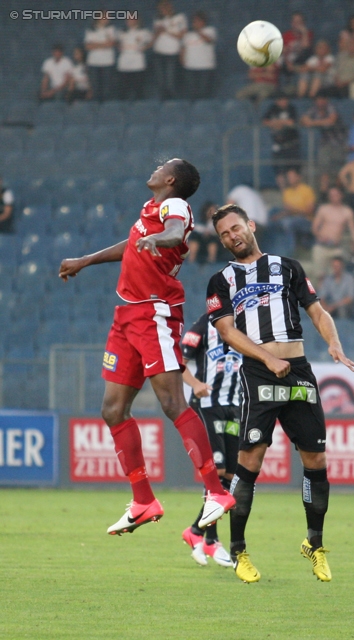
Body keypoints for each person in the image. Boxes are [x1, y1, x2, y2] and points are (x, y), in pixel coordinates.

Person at [58, 158, 235, 535]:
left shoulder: (175, 206)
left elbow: (173, 232)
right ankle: (143, 500)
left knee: (172, 402)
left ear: (171, 179)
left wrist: (158, 239)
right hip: (127, 315)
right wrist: (85, 260)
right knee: (112, 409)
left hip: (154, 311)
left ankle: (216, 492)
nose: (155, 168)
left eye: (162, 165)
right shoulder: (150, 209)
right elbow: (131, 244)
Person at [206, 203, 354, 583]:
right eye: (224, 234)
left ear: (251, 225)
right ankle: (239, 551)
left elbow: (318, 312)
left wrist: (334, 344)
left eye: (236, 228)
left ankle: (314, 543)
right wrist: (267, 359)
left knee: (316, 460)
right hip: (259, 373)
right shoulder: (221, 280)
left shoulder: (288, 267)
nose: (232, 237)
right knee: (250, 462)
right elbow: (227, 332)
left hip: (299, 371)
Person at [181, 312, 242, 568]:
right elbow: (178, 361)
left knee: (229, 477)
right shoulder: (204, 325)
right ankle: (206, 536)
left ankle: (200, 534)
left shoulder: (249, 323)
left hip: (234, 406)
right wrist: (195, 384)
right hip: (207, 405)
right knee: (217, 474)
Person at [311, 186, 354, 285]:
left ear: (341, 196)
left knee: (335, 277)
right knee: (320, 277)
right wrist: (321, 237)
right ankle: (320, 298)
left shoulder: (347, 211)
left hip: (336, 247)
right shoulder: (323, 209)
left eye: (336, 195)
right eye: (331, 195)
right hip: (321, 246)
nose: (333, 197)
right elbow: (314, 228)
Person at [262, 91, 301, 188]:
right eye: (281, 100)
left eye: (285, 99)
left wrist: (276, 123)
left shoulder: (291, 109)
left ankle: (294, 194)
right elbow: (264, 121)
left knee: (292, 172)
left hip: (291, 145)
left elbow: (292, 122)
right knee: (279, 173)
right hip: (278, 146)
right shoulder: (273, 109)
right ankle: (285, 196)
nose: (284, 102)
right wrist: (281, 123)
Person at [272, 168, 316, 252]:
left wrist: (294, 210)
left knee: (287, 223)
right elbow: (287, 210)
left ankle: (290, 250)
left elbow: (310, 211)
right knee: (275, 223)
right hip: (292, 218)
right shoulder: (287, 192)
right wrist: (278, 216)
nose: (290, 179)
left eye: (292, 177)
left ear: (298, 177)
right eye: (288, 177)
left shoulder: (307, 190)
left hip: (306, 220)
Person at [153, 0, 188, 100]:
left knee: (170, 80)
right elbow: (155, 37)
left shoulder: (179, 17)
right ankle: (162, 102)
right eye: (160, 7)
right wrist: (157, 33)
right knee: (160, 81)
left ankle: (172, 102)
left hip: (172, 53)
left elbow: (182, 35)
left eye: (164, 6)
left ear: (169, 6)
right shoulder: (157, 19)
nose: (162, 9)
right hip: (159, 53)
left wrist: (166, 31)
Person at [181, 11, 217, 100]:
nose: (195, 23)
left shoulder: (210, 30)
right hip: (190, 66)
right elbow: (183, 48)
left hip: (205, 66)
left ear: (203, 22)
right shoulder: (188, 34)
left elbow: (209, 40)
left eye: (197, 21)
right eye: (194, 21)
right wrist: (182, 60)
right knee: (191, 92)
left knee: (203, 92)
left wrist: (198, 31)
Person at [116, 18, 152, 101]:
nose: (129, 21)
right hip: (124, 63)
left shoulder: (143, 31)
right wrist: (119, 46)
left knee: (138, 88)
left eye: (132, 19)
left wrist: (145, 47)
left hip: (137, 63)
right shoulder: (121, 32)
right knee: (123, 89)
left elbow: (152, 41)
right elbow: (116, 42)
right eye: (128, 19)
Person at [84, 12, 116, 102]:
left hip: (108, 62)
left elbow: (111, 43)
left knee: (107, 90)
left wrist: (95, 44)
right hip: (93, 63)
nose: (106, 19)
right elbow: (88, 46)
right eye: (104, 17)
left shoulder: (111, 29)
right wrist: (104, 44)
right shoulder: (90, 30)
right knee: (95, 89)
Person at [282, 12, 313, 91]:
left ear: (303, 23)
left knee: (306, 53)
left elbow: (306, 47)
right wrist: (288, 62)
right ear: (291, 23)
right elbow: (283, 51)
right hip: (288, 61)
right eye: (295, 22)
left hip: (302, 60)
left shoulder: (308, 33)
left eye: (299, 22)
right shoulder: (286, 35)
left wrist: (304, 32)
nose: (297, 24)